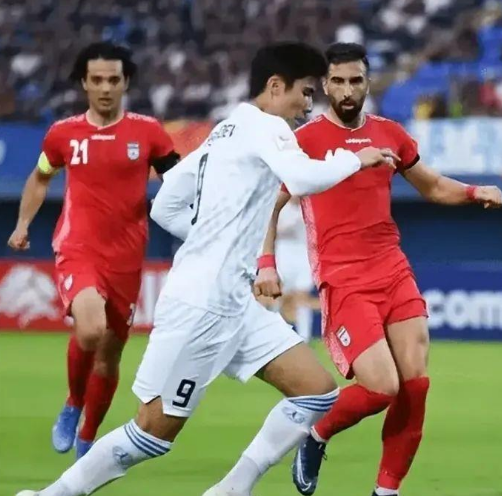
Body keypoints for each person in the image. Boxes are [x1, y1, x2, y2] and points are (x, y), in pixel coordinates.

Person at [16, 41, 397, 496]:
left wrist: (211, 240)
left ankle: (231, 489)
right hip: (203, 306)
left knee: (316, 391)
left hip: (234, 298)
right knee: (151, 433)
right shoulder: (268, 127)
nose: (308, 105)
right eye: (306, 92)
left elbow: (167, 204)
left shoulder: (226, 129)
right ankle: (52, 494)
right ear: (276, 87)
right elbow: (301, 178)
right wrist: (356, 158)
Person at [255, 43, 502, 496]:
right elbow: (269, 205)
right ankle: (316, 432)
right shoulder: (305, 140)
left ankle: (386, 491)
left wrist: (473, 192)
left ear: (368, 83)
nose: (347, 90)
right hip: (343, 279)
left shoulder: (390, 133)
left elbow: (431, 185)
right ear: (325, 85)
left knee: (416, 385)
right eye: (338, 81)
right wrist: (266, 262)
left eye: (356, 81)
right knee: (381, 388)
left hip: (392, 268)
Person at [7, 42, 178, 459]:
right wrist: (23, 223)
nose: (105, 87)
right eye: (97, 80)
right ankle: (72, 404)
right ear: (84, 83)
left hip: (127, 259)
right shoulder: (63, 134)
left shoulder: (149, 133)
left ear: (125, 83)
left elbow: (181, 181)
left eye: (113, 80)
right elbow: (41, 176)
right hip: (78, 248)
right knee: (89, 330)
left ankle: (87, 439)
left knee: (109, 357)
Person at [272, 196, 318, 341]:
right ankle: (278, 337)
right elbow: (272, 231)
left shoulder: (310, 209)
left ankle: (305, 337)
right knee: (281, 298)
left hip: (303, 257)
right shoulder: (280, 208)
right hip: (283, 256)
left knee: (302, 297)